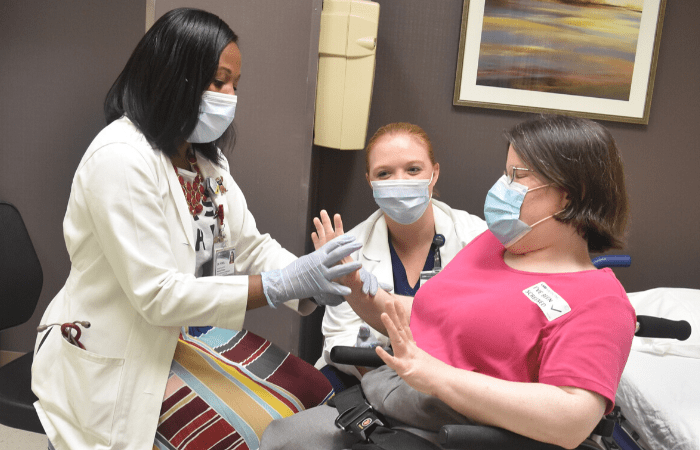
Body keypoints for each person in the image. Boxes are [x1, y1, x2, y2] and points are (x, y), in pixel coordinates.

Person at [31, 8, 362, 450]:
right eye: (219, 81)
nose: (229, 96)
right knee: (245, 435)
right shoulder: (120, 159)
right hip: (117, 352)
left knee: (310, 393)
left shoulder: (204, 162)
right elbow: (160, 296)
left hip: (182, 338)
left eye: (235, 85)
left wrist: (313, 277)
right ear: (175, 74)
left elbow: (248, 245)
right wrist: (283, 283)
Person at [260, 115, 636, 450]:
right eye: (506, 173)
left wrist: (438, 377)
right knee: (275, 434)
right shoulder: (491, 247)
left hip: (450, 430)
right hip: (391, 406)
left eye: (517, 177)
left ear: (571, 196)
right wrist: (356, 285)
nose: (502, 187)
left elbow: (572, 419)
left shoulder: (600, 301)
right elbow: (421, 315)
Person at [315, 123, 486, 389]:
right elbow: (340, 337)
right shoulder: (350, 248)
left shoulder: (476, 238)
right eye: (384, 173)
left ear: (434, 173)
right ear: (370, 181)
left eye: (413, 169)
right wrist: (385, 387)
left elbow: (480, 331)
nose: (400, 181)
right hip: (366, 377)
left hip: (452, 381)